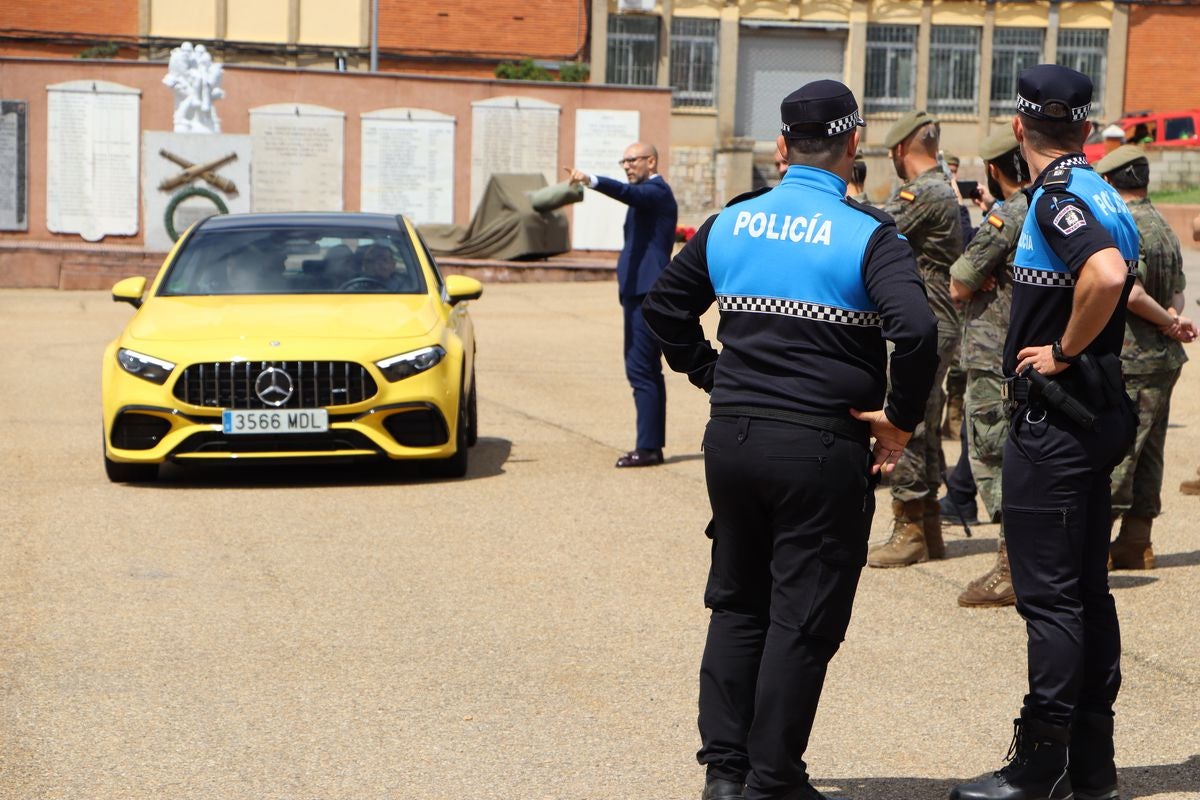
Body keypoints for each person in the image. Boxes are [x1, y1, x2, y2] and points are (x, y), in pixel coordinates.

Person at [642, 79, 938, 800]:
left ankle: (725, 772)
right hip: (819, 447)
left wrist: (711, 373)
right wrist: (899, 419)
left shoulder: (731, 223)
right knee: (802, 615)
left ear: (781, 147)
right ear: (852, 146)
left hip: (734, 441)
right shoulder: (870, 234)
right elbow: (919, 330)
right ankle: (773, 780)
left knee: (738, 601)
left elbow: (663, 308)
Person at [950, 64, 1140, 800]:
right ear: (1087, 130)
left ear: (1019, 128)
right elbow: (1124, 279)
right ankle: (1091, 761)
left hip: (1057, 422)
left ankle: (1043, 762)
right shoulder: (1098, 189)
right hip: (1095, 415)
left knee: (1050, 598)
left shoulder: (1059, 196)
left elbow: (1104, 272)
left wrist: (1061, 352)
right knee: (1086, 592)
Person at [1093, 145, 1196, 569]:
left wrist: (1168, 323)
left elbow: (1130, 292)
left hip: (1134, 358)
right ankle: (1137, 542)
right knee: (1150, 450)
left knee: (1120, 451)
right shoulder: (1162, 225)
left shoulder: (1125, 225)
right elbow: (1176, 291)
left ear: (1111, 183)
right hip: (1162, 359)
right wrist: (1173, 318)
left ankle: (1094, 548)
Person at [868, 110, 964, 568]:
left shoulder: (924, 191)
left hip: (925, 323)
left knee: (903, 417)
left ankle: (909, 527)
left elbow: (876, 231)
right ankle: (926, 526)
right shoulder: (943, 188)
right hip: (939, 321)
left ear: (900, 150)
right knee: (923, 421)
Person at [946, 128, 1031, 608]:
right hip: (1027, 350)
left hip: (994, 352)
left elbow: (961, 281)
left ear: (996, 172)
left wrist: (974, 277)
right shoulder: (1045, 206)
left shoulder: (1009, 214)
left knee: (993, 452)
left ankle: (1011, 567)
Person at [566, 143, 678, 468]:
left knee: (641, 368)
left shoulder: (656, 191)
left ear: (651, 161)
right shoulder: (646, 192)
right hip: (636, 293)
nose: (627, 166)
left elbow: (630, 195)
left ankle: (648, 448)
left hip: (646, 294)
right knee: (643, 369)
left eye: (633, 160)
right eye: (624, 161)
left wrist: (591, 180)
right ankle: (650, 444)